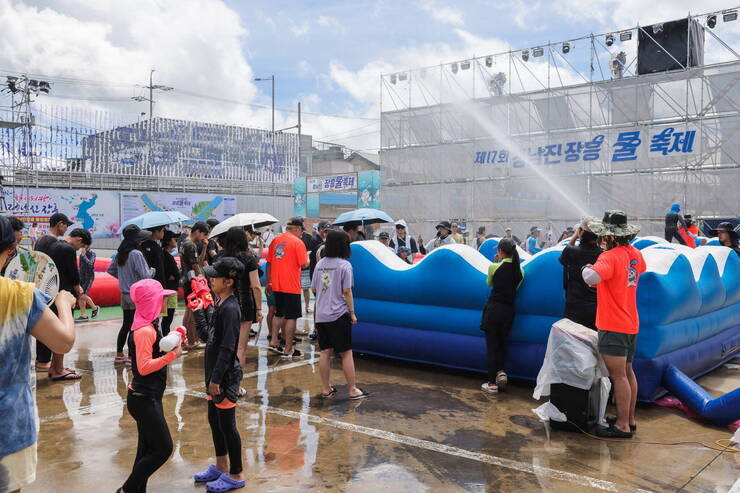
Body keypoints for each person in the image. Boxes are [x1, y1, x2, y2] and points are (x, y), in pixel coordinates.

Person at [0, 215, 76, 493]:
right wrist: (64, 304)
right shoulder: (20, 294)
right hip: (8, 425)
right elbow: (63, 343)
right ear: (11, 250)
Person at [582, 211, 646, 438]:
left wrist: (586, 268)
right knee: (628, 372)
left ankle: (622, 426)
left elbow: (591, 278)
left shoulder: (609, 257)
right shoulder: (635, 254)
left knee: (617, 376)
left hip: (613, 324)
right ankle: (629, 418)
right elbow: (638, 271)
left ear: (608, 236)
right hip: (631, 323)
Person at [118, 279, 181, 493]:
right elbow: (144, 368)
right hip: (144, 399)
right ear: (152, 301)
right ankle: (126, 490)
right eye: (162, 297)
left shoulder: (149, 324)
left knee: (145, 449)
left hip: (147, 396)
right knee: (163, 449)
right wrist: (172, 355)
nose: (166, 300)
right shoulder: (145, 330)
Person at [192, 258, 247, 491]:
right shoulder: (219, 303)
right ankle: (221, 465)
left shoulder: (232, 309)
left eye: (215, 277)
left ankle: (236, 473)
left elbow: (227, 347)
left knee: (227, 425)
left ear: (229, 281)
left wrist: (216, 380)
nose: (211, 279)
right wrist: (198, 312)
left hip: (223, 376)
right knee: (214, 422)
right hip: (213, 373)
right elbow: (208, 337)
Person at [312, 230, 368, 400]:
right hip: (338, 314)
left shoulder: (320, 264)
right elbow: (346, 291)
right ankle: (352, 390)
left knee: (324, 352)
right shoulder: (345, 265)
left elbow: (314, 289)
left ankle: (326, 389)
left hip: (321, 315)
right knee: (346, 353)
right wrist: (352, 313)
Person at [40, 228, 92, 381]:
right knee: (63, 331)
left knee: (55, 330)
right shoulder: (68, 249)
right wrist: (79, 291)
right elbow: (73, 272)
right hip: (65, 294)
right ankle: (58, 369)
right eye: (81, 247)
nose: (79, 249)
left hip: (51, 292)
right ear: (80, 240)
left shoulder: (53, 245)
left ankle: (55, 367)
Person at [479, 238, 524, 394]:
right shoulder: (520, 271)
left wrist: (497, 262)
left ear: (500, 251)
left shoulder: (493, 267)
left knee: (491, 347)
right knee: (502, 344)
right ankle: (501, 372)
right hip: (508, 312)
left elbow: (488, 283)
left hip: (493, 310)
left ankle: (492, 383)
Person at [108, 225, 155, 365]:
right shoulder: (136, 253)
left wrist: (123, 279)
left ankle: (119, 354)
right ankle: (131, 357)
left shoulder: (121, 253)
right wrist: (153, 270)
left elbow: (110, 270)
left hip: (124, 295)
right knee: (136, 327)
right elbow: (146, 275)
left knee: (126, 324)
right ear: (136, 238)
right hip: (136, 296)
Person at [266, 217, 308, 358]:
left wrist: (269, 282)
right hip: (291, 285)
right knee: (291, 317)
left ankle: (273, 339)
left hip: (277, 284)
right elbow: (303, 264)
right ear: (297, 229)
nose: (302, 233)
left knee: (279, 313)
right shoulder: (298, 243)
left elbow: (269, 263)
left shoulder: (275, 241)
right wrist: (307, 260)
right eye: (301, 230)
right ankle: (288, 348)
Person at [220, 226, 262, 367]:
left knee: (225, 344)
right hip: (245, 304)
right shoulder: (249, 259)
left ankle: (222, 379)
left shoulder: (220, 258)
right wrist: (259, 309)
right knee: (240, 347)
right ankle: (235, 383)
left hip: (224, 303)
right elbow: (256, 286)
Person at [559, 219, 602, 330]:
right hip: (596, 307)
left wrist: (575, 236)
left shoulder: (571, 251)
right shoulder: (603, 254)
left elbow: (564, 256)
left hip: (574, 307)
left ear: (581, 232)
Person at [180, 221, 210, 348]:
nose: (203, 238)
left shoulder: (184, 242)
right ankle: (192, 341)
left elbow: (199, 260)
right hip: (192, 282)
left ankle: (185, 339)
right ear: (197, 231)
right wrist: (203, 279)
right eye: (203, 234)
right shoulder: (190, 245)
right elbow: (195, 265)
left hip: (187, 280)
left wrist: (204, 247)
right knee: (193, 311)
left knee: (188, 310)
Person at [160, 229, 180, 336]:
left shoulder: (163, 254)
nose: (176, 240)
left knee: (165, 317)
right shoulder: (166, 256)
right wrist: (174, 275)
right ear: (168, 241)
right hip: (170, 291)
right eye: (174, 239)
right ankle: (165, 337)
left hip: (168, 289)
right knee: (168, 316)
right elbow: (175, 274)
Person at [77, 241, 100, 322]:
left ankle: (95, 308)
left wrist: (83, 255)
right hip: (81, 277)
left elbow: (90, 265)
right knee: (80, 295)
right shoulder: (81, 254)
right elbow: (80, 266)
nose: (82, 246)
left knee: (82, 294)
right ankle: (84, 315)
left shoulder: (92, 253)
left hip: (89, 277)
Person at [300, 225, 314, 314]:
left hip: (305, 267)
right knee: (297, 289)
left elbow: (311, 250)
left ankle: (307, 306)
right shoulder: (292, 237)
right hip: (294, 267)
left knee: (306, 288)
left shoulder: (308, 237)